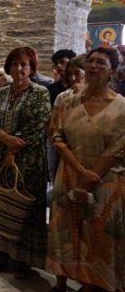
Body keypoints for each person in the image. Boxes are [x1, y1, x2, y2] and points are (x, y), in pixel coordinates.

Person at [47, 47, 125, 292]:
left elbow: (118, 147)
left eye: (101, 63)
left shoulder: (122, 107)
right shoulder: (68, 101)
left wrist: (92, 176)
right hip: (69, 175)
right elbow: (57, 135)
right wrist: (80, 169)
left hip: (105, 181)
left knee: (97, 234)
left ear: (113, 71)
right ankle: (60, 281)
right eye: (90, 61)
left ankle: (92, 284)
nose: (93, 66)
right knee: (64, 231)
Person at [0, 46, 51, 279]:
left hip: (28, 160)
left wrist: (14, 147)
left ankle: (23, 259)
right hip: (0, 158)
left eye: (24, 65)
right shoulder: (0, 93)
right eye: (15, 64)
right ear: (9, 67)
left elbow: (38, 123)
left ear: (31, 68)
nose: (19, 68)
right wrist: (6, 139)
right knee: (2, 204)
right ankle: (1, 252)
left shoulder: (40, 93)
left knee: (24, 207)